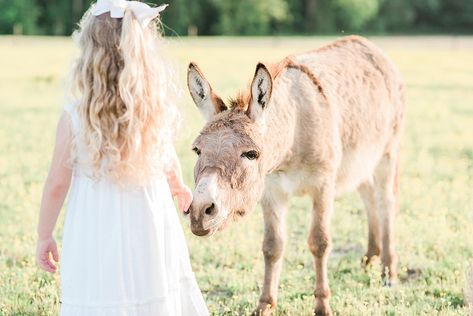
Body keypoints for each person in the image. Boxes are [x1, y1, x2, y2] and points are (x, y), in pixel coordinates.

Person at [35, 1, 209, 315]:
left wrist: (44, 235)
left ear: (89, 55)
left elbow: (57, 184)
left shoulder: (75, 117)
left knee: (103, 293)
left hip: (95, 228)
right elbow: (166, 155)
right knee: (151, 284)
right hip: (149, 221)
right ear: (145, 56)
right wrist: (178, 185)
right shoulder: (153, 109)